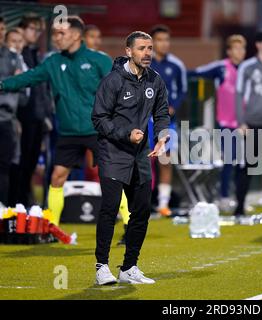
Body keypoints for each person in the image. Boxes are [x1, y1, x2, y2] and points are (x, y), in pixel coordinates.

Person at [0, 16, 112, 225]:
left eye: (61, 33)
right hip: (69, 133)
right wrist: (2, 85)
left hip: (98, 130)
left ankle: (127, 226)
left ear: (77, 35)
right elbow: (27, 77)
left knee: (111, 179)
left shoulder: (100, 60)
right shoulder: (52, 62)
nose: (56, 38)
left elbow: (118, 90)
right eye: (54, 34)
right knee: (57, 177)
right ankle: (52, 227)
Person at [92, 31, 170, 285]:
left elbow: (161, 112)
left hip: (139, 155)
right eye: (141, 48)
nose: (147, 53)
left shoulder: (155, 80)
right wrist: (127, 134)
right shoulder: (112, 81)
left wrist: (161, 136)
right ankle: (102, 266)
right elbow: (99, 118)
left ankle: (129, 267)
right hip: (113, 152)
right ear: (128, 51)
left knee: (142, 210)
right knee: (110, 208)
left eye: (150, 48)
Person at [188, 34, 247, 212]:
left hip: (247, 124)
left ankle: (240, 198)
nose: (239, 52)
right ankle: (224, 197)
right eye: (236, 48)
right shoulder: (221, 68)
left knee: (246, 163)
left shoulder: (248, 69)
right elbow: (197, 72)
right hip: (227, 123)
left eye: (242, 48)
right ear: (229, 51)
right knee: (229, 160)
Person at [7, 16, 53, 207]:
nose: (37, 33)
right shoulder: (16, 56)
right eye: (33, 29)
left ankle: (24, 200)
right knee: (19, 162)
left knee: (31, 163)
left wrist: (46, 115)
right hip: (21, 116)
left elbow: (41, 89)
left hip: (37, 117)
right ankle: (16, 201)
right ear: (22, 29)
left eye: (38, 30)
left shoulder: (35, 54)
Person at [234, 29, 262, 217]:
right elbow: (239, 94)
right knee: (248, 167)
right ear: (258, 44)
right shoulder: (248, 67)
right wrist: (242, 122)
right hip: (252, 124)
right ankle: (240, 207)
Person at [149, 24, 187, 217]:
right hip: (145, 121)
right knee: (145, 161)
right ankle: (143, 202)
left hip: (167, 122)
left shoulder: (176, 65)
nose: (164, 44)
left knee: (165, 160)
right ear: (152, 42)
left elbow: (182, 90)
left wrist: (174, 107)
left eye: (166, 40)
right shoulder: (144, 63)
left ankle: (163, 204)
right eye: (159, 40)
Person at [0, 17, 22, 206]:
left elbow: (24, 89)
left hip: (6, 119)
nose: (0, 32)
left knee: (5, 167)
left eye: (2, 28)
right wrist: (11, 83)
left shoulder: (13, 57)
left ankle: (3, 212)